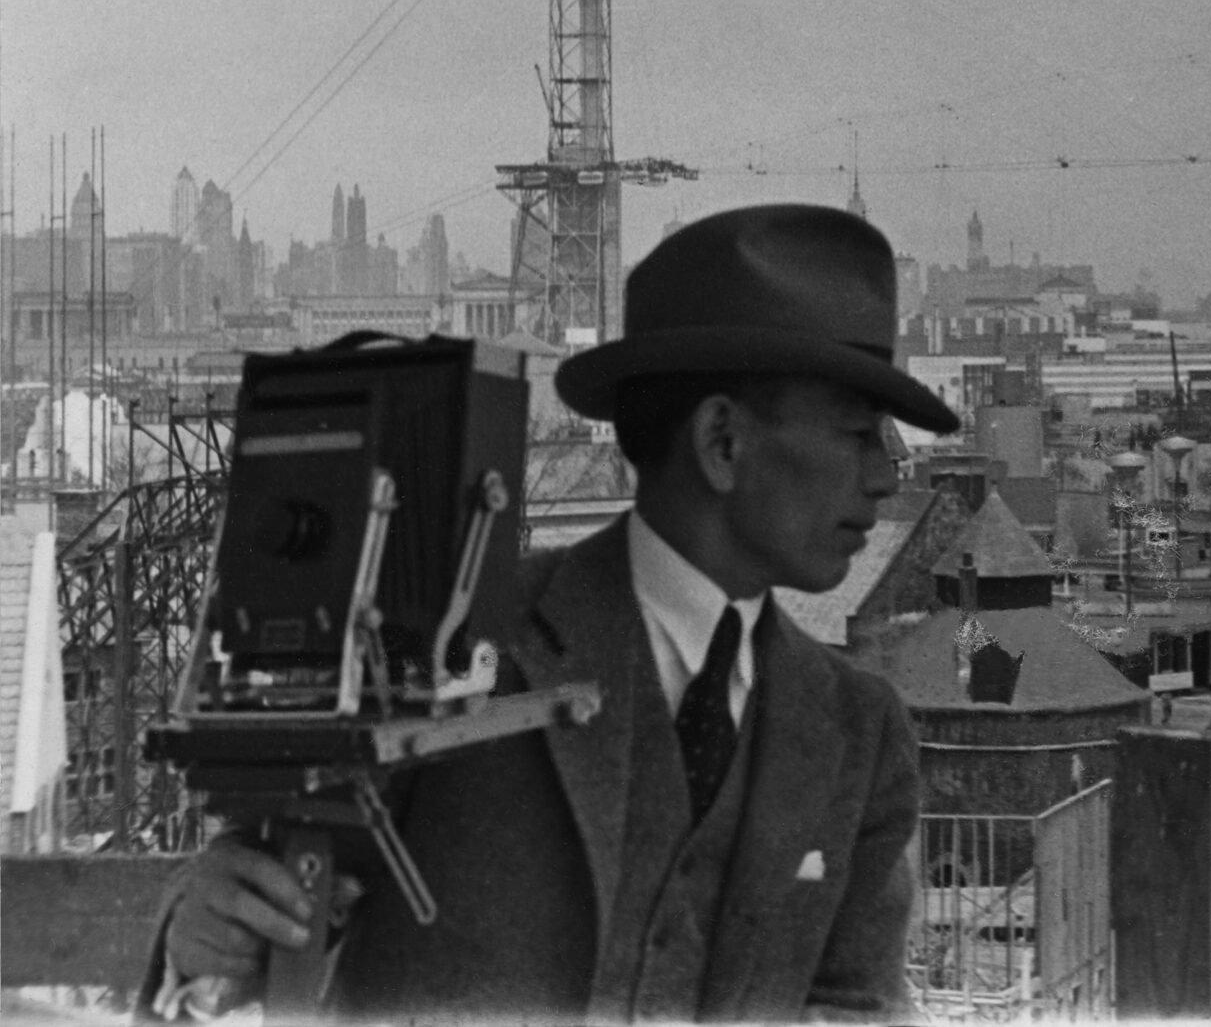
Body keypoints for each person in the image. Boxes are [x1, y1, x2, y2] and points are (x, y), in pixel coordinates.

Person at [154, 204, 961, 1021]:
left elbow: (858, 1007)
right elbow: (262, 914)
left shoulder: (862, 737)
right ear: (722, 441)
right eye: (859, 434)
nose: (888, 475)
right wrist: (202, 946)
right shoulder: (448, 648)